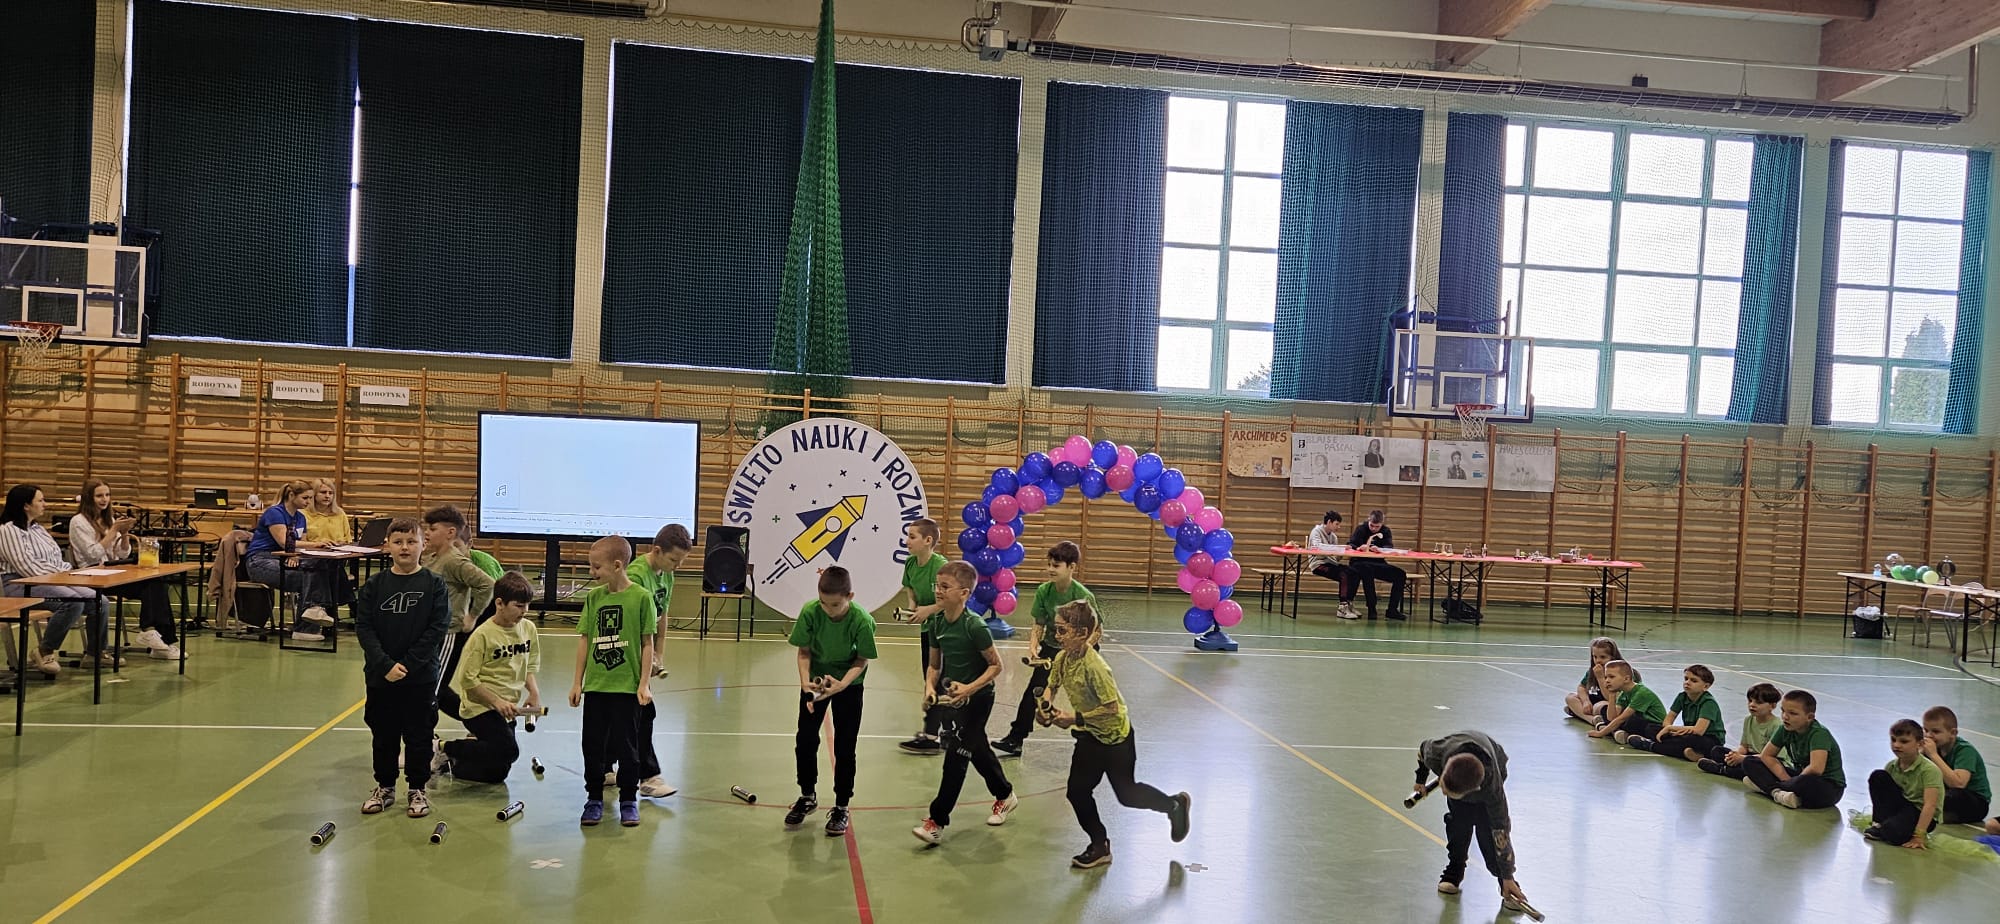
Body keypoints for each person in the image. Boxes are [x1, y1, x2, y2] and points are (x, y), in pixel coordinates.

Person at [1043, 599, 1189, 869]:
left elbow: (1111, 709)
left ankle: (1174, 805)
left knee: (1127, 794)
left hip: (1115, 739)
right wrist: (1046, 707)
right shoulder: (1063, 658)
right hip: (1089, 736)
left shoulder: (1096, 668)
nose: (1057, 636)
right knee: (1077, 792)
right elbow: (1052, 685)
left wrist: (1074, 718)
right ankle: (1100, 845)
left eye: (1062, 630)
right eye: (1056, 629)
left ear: (1082, 633)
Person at [911, 561, 1018, 846]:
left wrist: (969, 689)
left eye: (945, 587)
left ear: (964, 593)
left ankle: (936, 822)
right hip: (954, 699)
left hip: (979, 699)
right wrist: (929, 687)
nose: (938, 591)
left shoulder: (975, 626)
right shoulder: (935, 622)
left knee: (956, 756)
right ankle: (1005, 794)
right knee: (976, 749)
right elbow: (934, 665)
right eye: (937, 585)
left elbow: (996, 666)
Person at [355, 518, 452, 819]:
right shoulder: (374, 585)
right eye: (398, 542)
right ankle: (385, 787)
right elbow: (364, 627)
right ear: (388, 546)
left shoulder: (434, 585)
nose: (405, 547)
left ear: (423, 545)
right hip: (381, 677)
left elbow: (437, 628)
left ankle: (417, 789)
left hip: (420, 677)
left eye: (412, 541)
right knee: (383, 734)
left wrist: (408, 665)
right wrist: (385, 665)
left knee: (419, 734)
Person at [568, 536, 657, 828]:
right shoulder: (594, 598)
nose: (591, 572)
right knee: (593, 746)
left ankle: (628, 799)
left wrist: (643, 684)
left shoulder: (641, 597)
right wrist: (577, 682)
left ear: (617, 566)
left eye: (596, 567)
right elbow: (585, 640)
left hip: (626, 689)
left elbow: (647, 643)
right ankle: (594, 798)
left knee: (628, 748)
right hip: (597, 687)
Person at [784, 565, 877, 837]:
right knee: (805, 738)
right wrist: (805, 683)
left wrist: (842, 685)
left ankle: (841, 805)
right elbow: (804, 652)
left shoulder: (862, 620)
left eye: (835, 605)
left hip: (848, 684)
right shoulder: (810, 612)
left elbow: (862, 659)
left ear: (850, 596)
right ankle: (807, 795)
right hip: (817, 683)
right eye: (824, 603)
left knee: (845, 745)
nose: (828, 610)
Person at [992, 540, 1095, 757]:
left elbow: (1097, 631)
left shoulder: (1083, 596)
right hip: (1052, 646)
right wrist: (1033, 646)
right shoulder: (1044, 591)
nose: (1050, 569)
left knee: (1084, 695)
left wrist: (1078, 650)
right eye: (1049, 564)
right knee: (1034, 692)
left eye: (1056, 565)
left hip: (1081, 651)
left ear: (1072, 567)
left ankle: (1090, 738)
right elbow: (1039, 623)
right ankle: (1016, 739)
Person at [1413, 730, 1533, 915]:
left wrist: (1507, 875)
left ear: (1473, 790)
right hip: (1457, 763)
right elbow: (1422, 750)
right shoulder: (1436, 753)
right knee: (1459, 823)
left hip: (1495, 762)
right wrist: (1421, 779)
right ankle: (1455, 869)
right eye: (1444, 786)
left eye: (1448, 791)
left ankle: (1507, 884)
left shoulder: (1493, 792)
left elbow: (1501, 833)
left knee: (1487, 832)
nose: (1443, 792)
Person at [436, 571, 540, 784]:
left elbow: (528, 664)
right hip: (479, 707)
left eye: (527, 605)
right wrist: (496, 701)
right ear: (499, 603)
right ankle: (442, 747)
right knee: (509, 750)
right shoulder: (482, 635)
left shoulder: (528, 628)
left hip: (507, 708)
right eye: (519, 606)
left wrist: (534, 692)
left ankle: (453, 762)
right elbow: (468, 680)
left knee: (496, 773)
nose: (525, 611)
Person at [0, 484, 110, 674]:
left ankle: (95, 653)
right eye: (40, 500)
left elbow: (57, 557)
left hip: (51, 579)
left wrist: (66, 574)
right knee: (71, 601)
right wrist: (61, 577)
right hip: (18, 584)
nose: (45, 504)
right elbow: (26, 566)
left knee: (100, 600)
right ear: (26, 505)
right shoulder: (8, 530)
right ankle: (44, 650)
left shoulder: (38, 529)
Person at [70, 479, 179, 660]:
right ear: (89, 498)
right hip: (91, 575)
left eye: (107, 495)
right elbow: (93, 554)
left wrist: (125, 533)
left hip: (111, 572)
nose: (104, 499)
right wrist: (114, 531)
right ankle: (151, 631)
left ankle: (160, 638)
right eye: (99, 496)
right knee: (151, 585)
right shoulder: (78, 521)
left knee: (156, 582)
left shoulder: (109, 520)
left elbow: (122, 553)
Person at [623, 523, 692, 799]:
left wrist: (659, 655)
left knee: (624, 714)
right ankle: (648, 776)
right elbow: (633, 627)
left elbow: (661, 615)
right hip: (627, 654)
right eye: (674, 559)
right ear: (657, 551)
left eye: (681, 561)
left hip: (644, 650)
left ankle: (605, 766)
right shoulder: (636, 577)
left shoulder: (666, 574)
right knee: (642, 713)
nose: (677, 566)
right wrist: (644, 659)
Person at [245, 479, 335, 641]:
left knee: (318, 568)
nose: (309, 502)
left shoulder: (300, 517)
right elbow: (283, 542)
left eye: (310, 498)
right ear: (292, 495)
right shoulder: (275, 513)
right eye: (305, 498)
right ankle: (310, 618)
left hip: (283, 558)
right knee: (309, 577)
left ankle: (313, 614)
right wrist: (315, 544)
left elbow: (299, 546)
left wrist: (295, 556)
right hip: (260, 561)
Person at [895, 518, 949, 755]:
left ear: (928, 541)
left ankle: (932, 735)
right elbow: (910, 588)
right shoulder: (910, 563)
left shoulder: (941, 567)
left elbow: (950, 600)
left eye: (912, 536)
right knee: (930, 677)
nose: (907, 541)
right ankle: (945, 732)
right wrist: (912, 607)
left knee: (938, 680)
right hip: (928, 630)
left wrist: (929, 610)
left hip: (946, 630)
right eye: (907, 535)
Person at [1743, 689, 1846, 810]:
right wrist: (1786, 779)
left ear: (1809, 717)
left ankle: (1766, 787)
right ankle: (1777, 793)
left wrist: (1792, 782)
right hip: (1798, 778)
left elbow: (1816, 768)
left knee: (1806, 782)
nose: (1785, 717)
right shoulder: (1784, 729)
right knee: (1750, 761)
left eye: (1793, 713)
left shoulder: (1819, 733)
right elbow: (1767, 755)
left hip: (1826, 786)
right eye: (1783, 711)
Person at [1865, 719, 1943, 849]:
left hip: (1919, 812)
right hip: (1903, 807)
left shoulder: (1929, 770)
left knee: (1893, 835)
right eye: (1893, 740)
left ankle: (1894, 827)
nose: (1896, 745)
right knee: (1878, 776)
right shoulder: (1891, 766)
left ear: (1919, 744)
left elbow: (1930, 805)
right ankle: (1878, 824)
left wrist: (1919, 835)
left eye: (1904, 741)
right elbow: (1885, 797)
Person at [1626, 664, 1724, 762]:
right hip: (1687, 733)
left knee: (1690, 739)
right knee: (1651, 728)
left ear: (1705, 686)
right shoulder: (1682, 697)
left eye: (1694, 681)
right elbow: (1668, 719)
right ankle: (1692, 754)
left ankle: (1651, 746)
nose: (1687, 682)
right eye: (1686, 679)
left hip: (1708, 739)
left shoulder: (1708, 703)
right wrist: (1669, 730)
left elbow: (1699, 730)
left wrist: (1670, 728)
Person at [1920, 706, 1990, 825]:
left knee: (1953, 796)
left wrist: (1933, 755)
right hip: (1945, 795)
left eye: (1936, 732)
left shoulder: (1965, 750)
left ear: (1953, 733)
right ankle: (1937, 814)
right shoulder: (1933, 748)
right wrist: (1918, 755)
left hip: (1974, 801)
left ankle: (1935, 813)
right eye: (1926, 731)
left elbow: (1958, 784)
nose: (1929, 736)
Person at [1698, 683, 1782, 780]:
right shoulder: (1749, 719)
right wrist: (1735, 755)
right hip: (1750, 756)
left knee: (1751, 765)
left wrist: (1742, 758)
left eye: (1758, 702)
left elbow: (1772, 757)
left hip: (1768, 761)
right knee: (1717, 750)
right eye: (1750, 701)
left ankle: (1722, 769)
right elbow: (1744, 746)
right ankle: (1730, 766)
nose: (1752, 705)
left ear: (1772, 706)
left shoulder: (1777, 725)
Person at [1347, 510, 1406, 620]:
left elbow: (1389, 547)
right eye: (1372, 525)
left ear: (1382, 524)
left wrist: (1380, 549)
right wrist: (1358, 548)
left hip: (1377, 563)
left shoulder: (1386, 531)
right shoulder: (1361, 529)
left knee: (1400, 575)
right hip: (1359, 562)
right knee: (1366, 572)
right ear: (1368, 521)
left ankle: (1392, 609)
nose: (1374, 529)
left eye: (1377, 526)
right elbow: (1350, 544)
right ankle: (1372, 608)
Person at [1587, 660, 1664, 744]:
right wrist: (1611, 695)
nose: (1607, 680)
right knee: (1606, 710)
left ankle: (1613, 731)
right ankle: (1616, 732)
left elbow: (1621, 719)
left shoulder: (1641, 693)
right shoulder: (1623, 693)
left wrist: (1600, 733)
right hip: (1639, 722)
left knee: (1629, 721)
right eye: (1606, 677)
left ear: (1626, 679)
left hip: (1655, 726)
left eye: (1611, 677)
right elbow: (1612, 718)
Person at [1307, 510, 1359, 620]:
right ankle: (1342, 608)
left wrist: (1343, 553)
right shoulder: (1316, 532)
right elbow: (1318, 547)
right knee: (1343, 575)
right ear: (1329, 522)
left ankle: (1349, 603)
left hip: (1331, 563)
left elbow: (1335, 556)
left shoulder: (1334, 537)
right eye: (1337, 524)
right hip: (1318, 564)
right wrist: (1340, 548)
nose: (1338, 527)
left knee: (1355, 573)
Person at [1563, 637, 1624, 726]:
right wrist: (1585, 701)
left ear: (1613, 657)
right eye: (1595, 657)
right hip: (1599, 699)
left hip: (1613, 703)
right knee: (1570, 697)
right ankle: (1592, 720)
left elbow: (1611, 698)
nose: (1598, 660)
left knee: (1598, 706)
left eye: (1603, 657)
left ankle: (1577, 712)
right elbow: (1582, 687)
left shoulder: (1620, 672)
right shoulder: (1593, 670)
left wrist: (1600, 678)